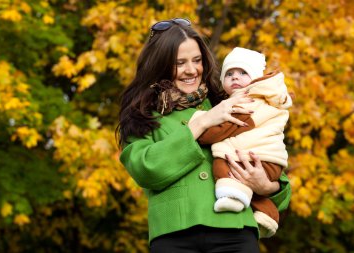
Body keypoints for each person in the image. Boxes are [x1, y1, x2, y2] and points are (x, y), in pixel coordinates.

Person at [117, 18, 291, 253]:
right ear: (160, 65)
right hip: (173, 235)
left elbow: (271, 154)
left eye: (197, 60)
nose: (191, 70)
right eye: (180, 63)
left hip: (236, 231)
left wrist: (266, 185)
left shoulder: (229, 101)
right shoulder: (142, 115)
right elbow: (146, 169)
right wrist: (202, 123)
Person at [190, 47, 292, 238]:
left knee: (221, 166)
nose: (235, 77)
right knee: (233, 169)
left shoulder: (250, 102)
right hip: (267, 160)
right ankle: (267, 212)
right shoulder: (253, 101)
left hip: (261, 159)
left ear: (254, 78)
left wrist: (201, 127)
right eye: (229, 74)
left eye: (243, 72)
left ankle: (233, 198)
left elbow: (226, 128)